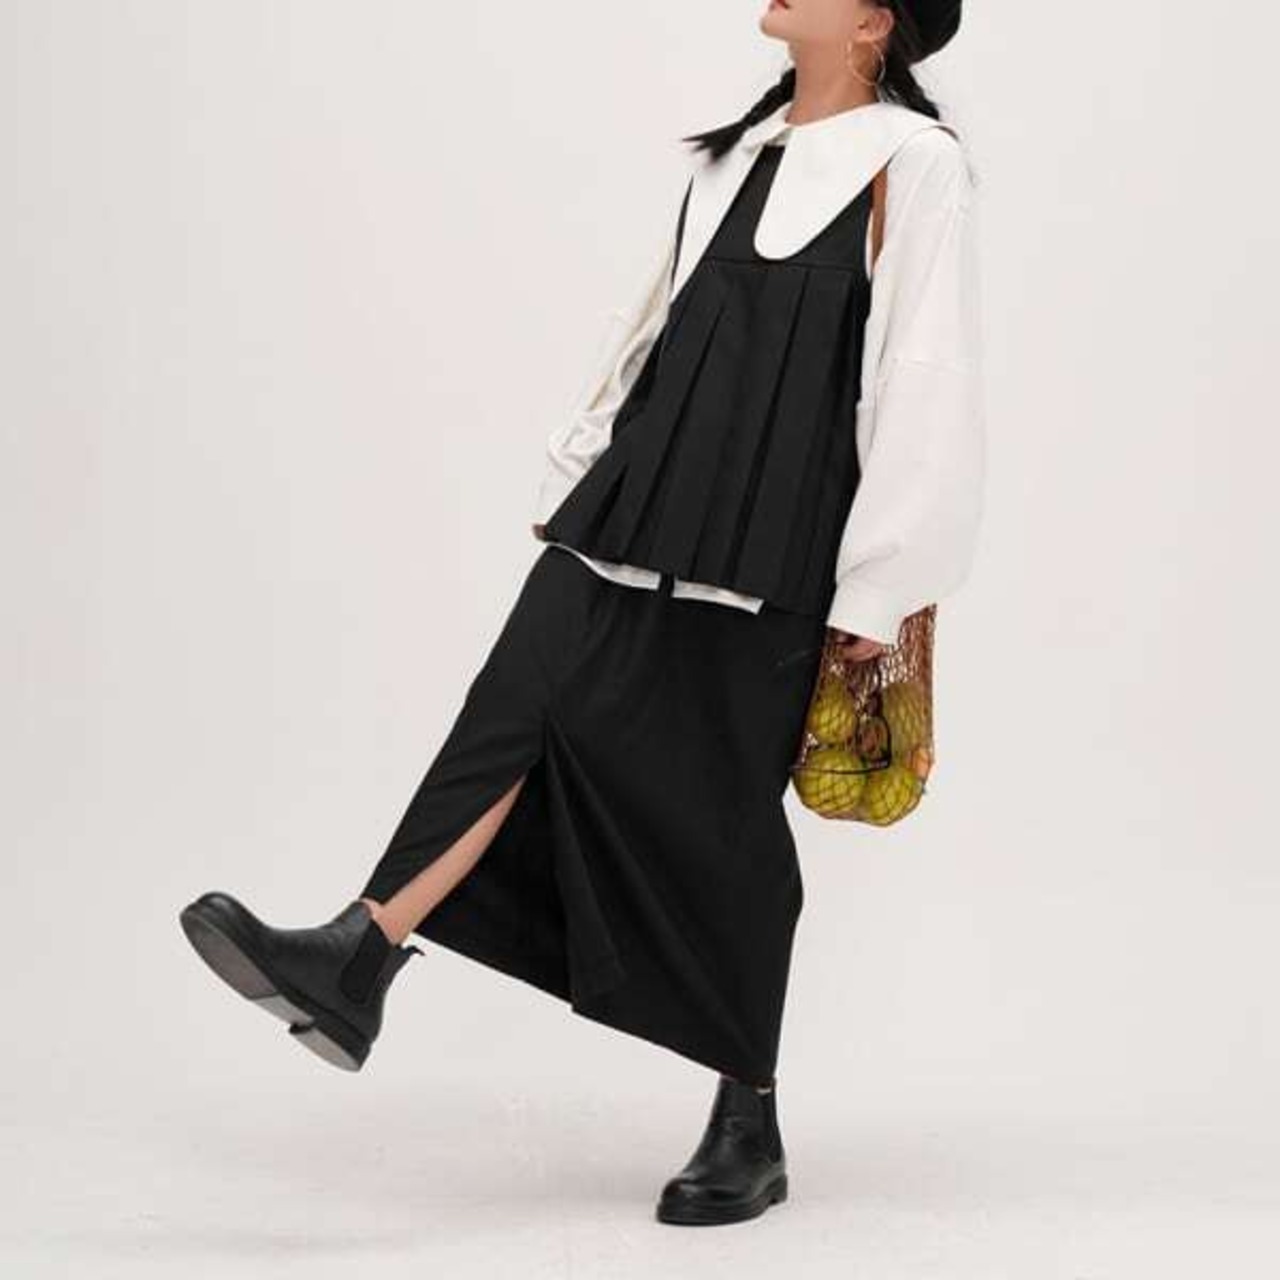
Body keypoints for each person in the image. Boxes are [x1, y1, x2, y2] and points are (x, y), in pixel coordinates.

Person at [178, 0, 984, 1228]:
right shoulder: (734, 155)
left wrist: (879, 577)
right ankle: (357, 953)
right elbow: (653, 326)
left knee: (717, 819)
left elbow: (923, 371)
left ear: (874, 22)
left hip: (775, 537)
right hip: (638, 495)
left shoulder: (913, 165)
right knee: (511, 711)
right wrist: (582, 462)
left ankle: (747, 1113)